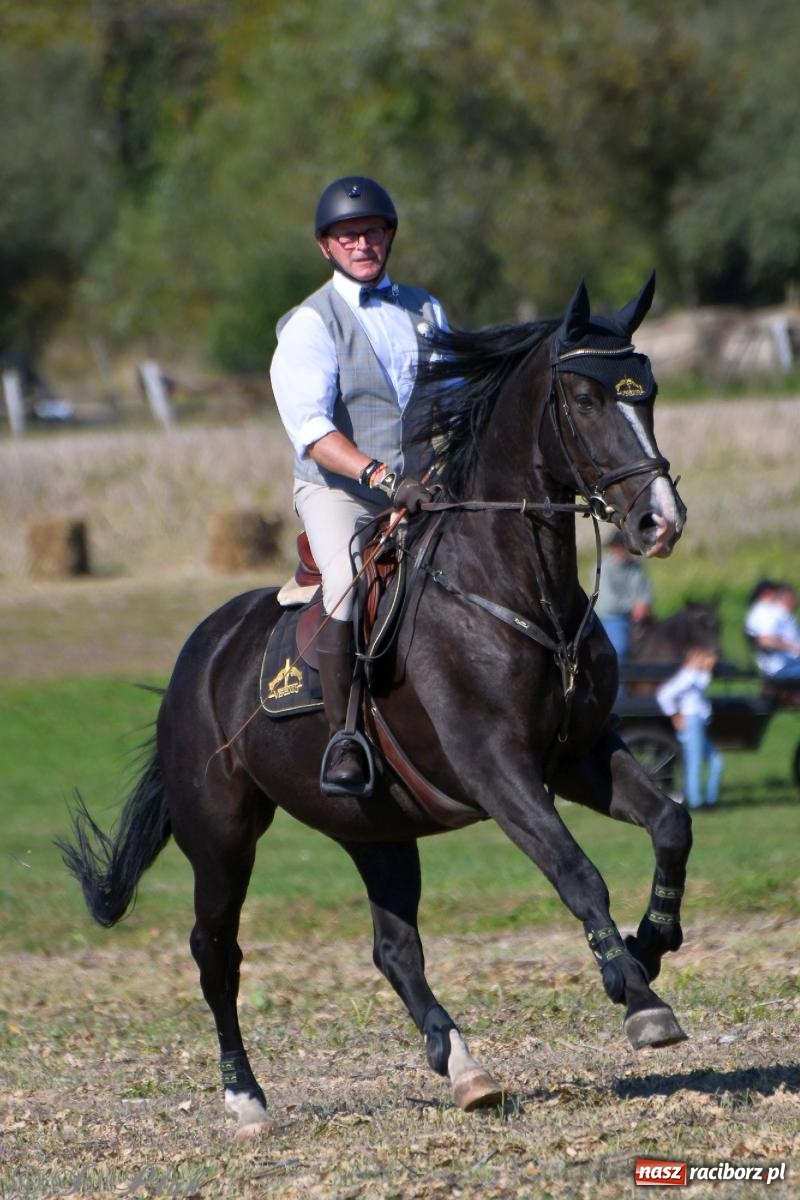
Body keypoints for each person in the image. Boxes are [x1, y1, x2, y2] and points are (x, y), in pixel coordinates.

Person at [270, 175, 450, 795]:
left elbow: (451, 398)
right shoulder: (308, 324)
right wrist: (379, 474)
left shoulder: (428, 310)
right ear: (326, 247)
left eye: (372, 231)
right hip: (340, 489)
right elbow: (314, 431)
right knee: (346, 584)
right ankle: (345, 736)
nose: (362, 243)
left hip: (423, 484)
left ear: (389, 235)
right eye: (348, 235)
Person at [656, 646, 723, 810]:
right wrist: (674, 715)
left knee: (716, 761)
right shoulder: (687, 676)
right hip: (691, 720)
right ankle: (695, 801)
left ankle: (709, 798)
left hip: (698, 721)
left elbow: (703, 680)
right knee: (694, 761)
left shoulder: (694, 675)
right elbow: (664, 694)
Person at [595, 531, 653, 661]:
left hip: (639, 619)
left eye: (624, 546)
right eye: (618, 546)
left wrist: (644, 604)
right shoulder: (603, 569)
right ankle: (621, 680)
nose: (621, 549)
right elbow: (608, 602)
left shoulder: (636, 567)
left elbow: (645, 590)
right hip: (612, 618)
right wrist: (633, 607)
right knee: (620, 648)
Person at [744, 579, 800, 682]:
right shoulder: (762, 611)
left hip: (791, 663)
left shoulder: (777, 613)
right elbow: (764, 640)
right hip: (779, 668)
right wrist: (795, 648)